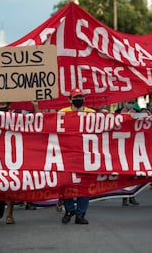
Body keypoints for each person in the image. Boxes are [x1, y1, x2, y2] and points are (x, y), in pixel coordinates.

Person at [59, 88, 95, 224]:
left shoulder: (92, 114)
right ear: (70, 99)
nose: (78, 99)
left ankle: (80, 214)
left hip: (85, 155)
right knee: (66, 184)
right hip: (67, 154)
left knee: (84, 186)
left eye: (80, 96)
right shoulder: (62, 113)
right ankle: (69, 210)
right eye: (76, 97)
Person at [115, 99, 140, 206]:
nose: (131, 104)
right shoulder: (117, 112)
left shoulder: (136, 113)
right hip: (120, 145)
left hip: (132, 145)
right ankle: (124, 196)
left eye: (132, 102)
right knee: (123, 173)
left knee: (133, 173)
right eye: (129, 102)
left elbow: (147, 120)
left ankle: (132, 196)